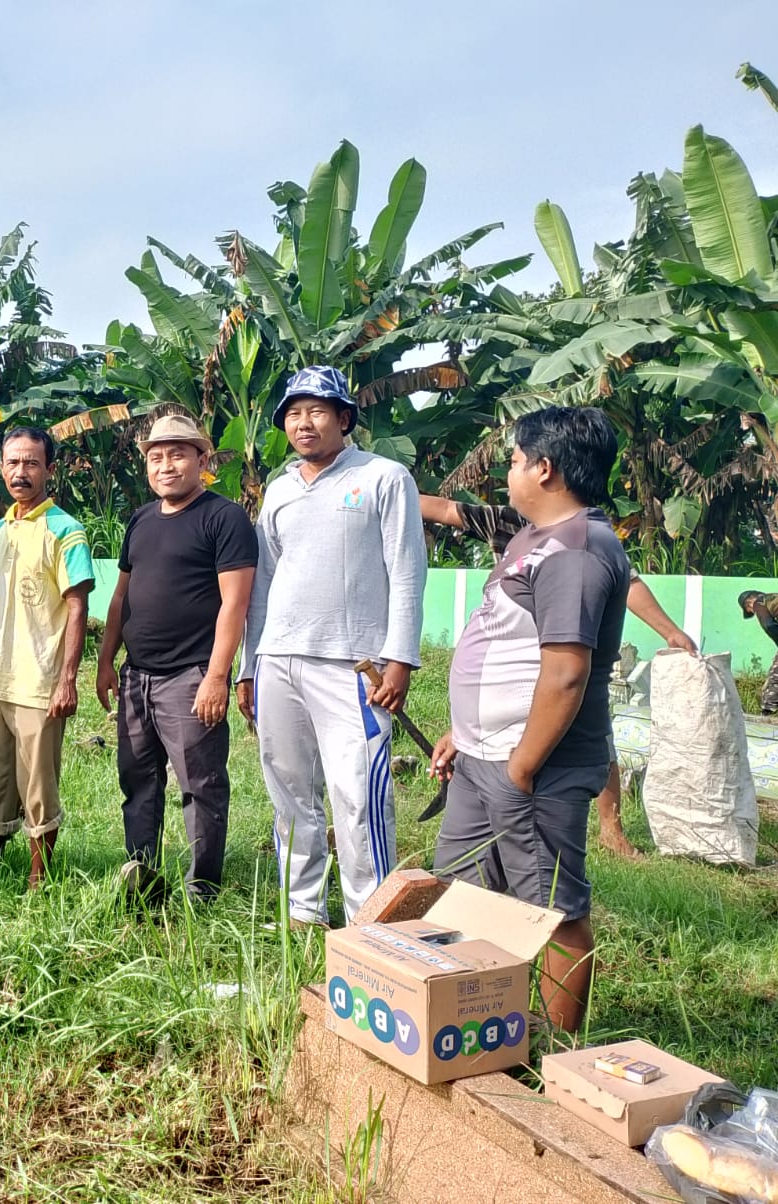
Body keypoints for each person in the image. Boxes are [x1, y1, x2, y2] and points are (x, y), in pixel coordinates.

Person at [430, 406, 631, 1034]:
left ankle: (559, 1049)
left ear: (545, 469)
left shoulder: (577, 549)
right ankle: (486, 1023)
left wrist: (520, 767)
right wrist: (464, 731)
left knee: (551, 905)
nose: (510, 471)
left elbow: (566, 673)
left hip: (535, 764)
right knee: (464, 889)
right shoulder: (534, 538)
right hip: (483, 756)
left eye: (516, 460)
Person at [238, 365, 426, 927]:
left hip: (355, 666)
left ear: (344, 418)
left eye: (317, 411)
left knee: (357, 798)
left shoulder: (384, 478)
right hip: (280, 661)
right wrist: (250, 667)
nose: (304, 423)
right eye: (293, 414)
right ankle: (303, 912)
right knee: (290, 792)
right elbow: (264, 583)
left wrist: (401, 661)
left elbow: (408, 573)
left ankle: (370, 919)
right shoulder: (279, 489)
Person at [421, 493, 697, 857]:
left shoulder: (578, 539)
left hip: (564, 653)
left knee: (593, 738)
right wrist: (387, 487)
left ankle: (609, 828)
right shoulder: (507, 522)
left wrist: (670, 631)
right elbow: (443, 510)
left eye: (521, 462)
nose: (512, 476)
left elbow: (629, 584)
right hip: (512, 670)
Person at [96, 413, 256, 902]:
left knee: (200, 786)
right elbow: (122, 596)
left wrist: (216, 676)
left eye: (178, 454)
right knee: (138, 782)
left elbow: (236, 603)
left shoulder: (223, 517)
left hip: (190, 676)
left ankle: (201, 888)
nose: (166, 465)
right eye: (156, 456)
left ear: (202, 460)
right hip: (137, 677)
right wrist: (106, 660)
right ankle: (141, 877)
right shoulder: (142, 519)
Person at [0, 427, 95, 889]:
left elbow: (78, 606)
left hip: (39, 680)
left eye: (31, 463)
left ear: (49, 469)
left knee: (38, 782)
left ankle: (39, 873)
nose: (20, 472)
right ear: (1, 468)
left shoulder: (65, 529)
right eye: (12, 463)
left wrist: (67, 679)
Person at [738, 590, 778, 714]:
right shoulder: (773, 597)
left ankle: (768, 712)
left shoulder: (759, 603)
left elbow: (769, 625)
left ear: (748, 604)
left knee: (775, 677)